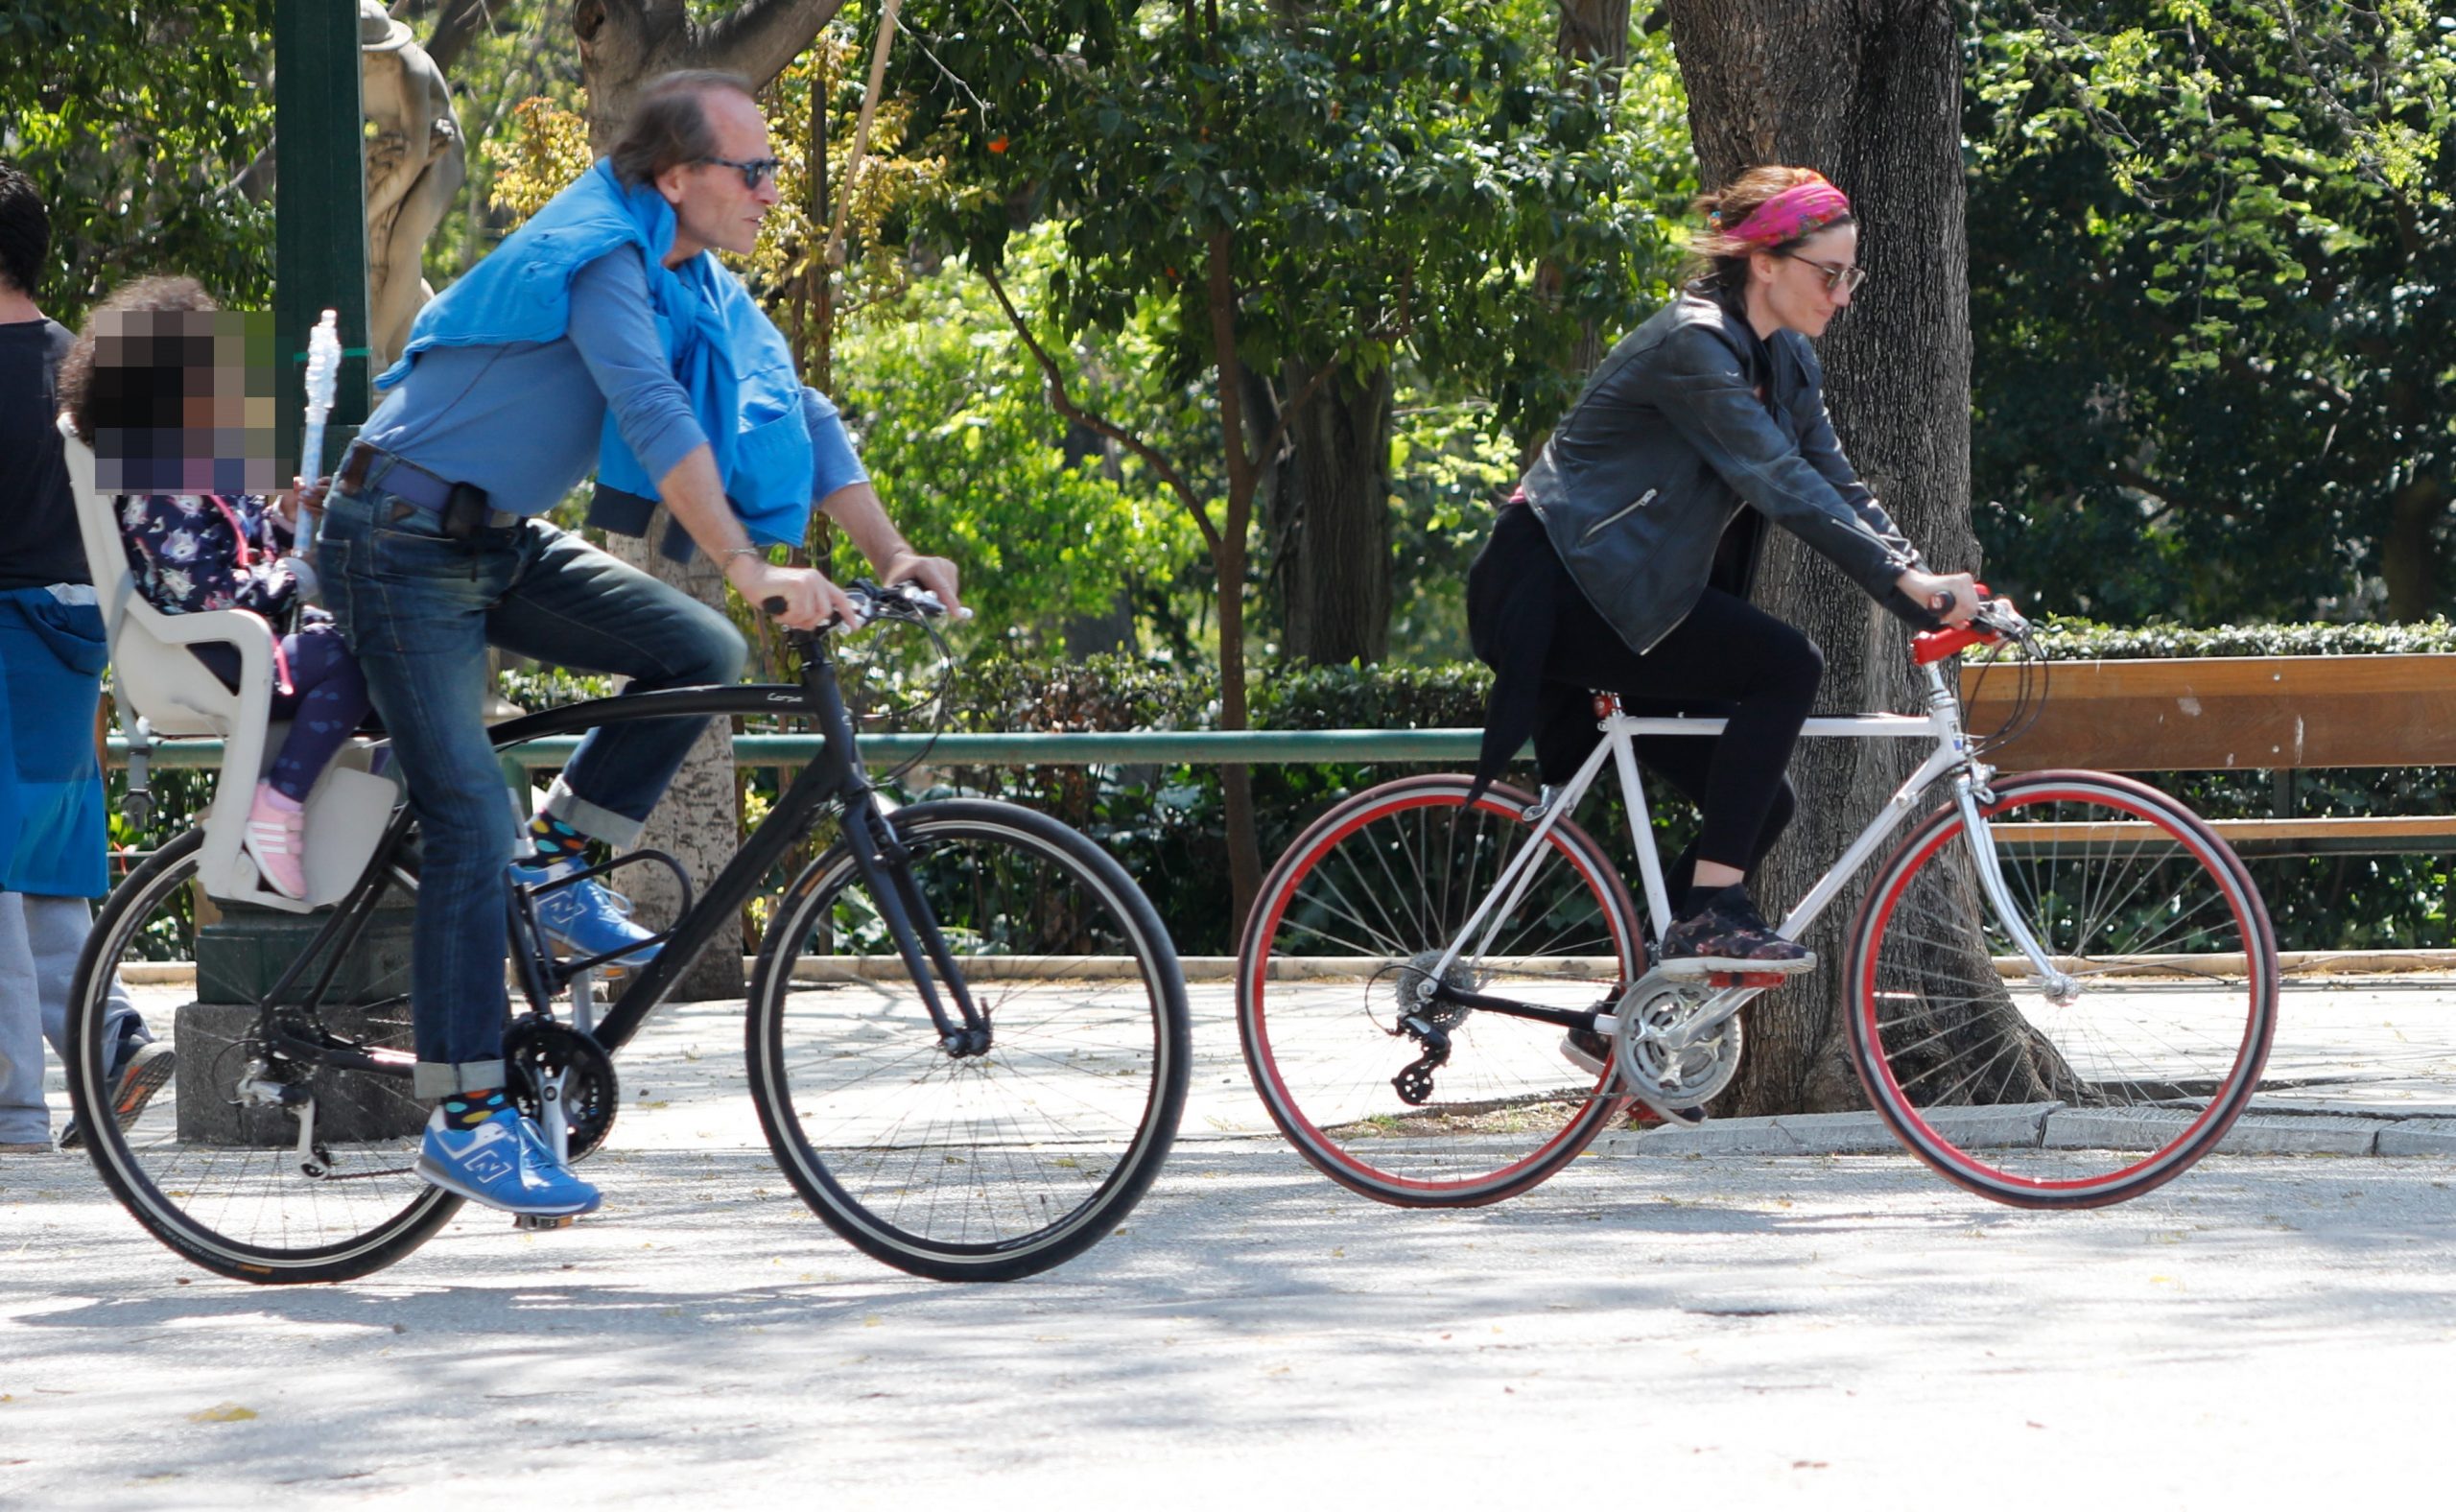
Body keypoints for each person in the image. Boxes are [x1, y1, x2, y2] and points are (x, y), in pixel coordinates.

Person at [315, 71, 961, 1219]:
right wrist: (754, 566)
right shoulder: (607, 257)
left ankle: (557, 859)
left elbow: (794, 410)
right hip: (395, 538)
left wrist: (895, 551)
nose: (772, 193)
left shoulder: (693, 274)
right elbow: (655, 411)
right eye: (753, 171)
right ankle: (466, 1117)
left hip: (493, 539)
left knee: (697, 647)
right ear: (677, 178)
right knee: (466, 815)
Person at [1467, 165, 1978, 1066]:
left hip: (1631, 599)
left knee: (1757, 804)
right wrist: (1904, 590)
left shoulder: (1787, 357)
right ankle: (1709, 917)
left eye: (1852, 276)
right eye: (1830, 273)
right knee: (1784, 665)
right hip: (1551, 588)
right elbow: (1776, 484)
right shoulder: (1691, 346)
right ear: (1764, 261)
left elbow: (1834, 482)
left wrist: (1918, 574)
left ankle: (1623, 1017)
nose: (1843, 294)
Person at [56, 276, 376, 901]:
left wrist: (287, 518)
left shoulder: (199, 469)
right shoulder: (158, 485)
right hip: (208, 654)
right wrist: (302, 573)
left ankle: (303, 806)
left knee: (375, 661)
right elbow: (213, 594)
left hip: (234, 647)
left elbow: (246, 551)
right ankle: (277, 805)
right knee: (351, 655)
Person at [0, 160, 173, 1154]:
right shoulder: (85, 368)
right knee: (46, 868)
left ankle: (14, 1105)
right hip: (76, 641)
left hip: (7, 634)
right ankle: (112, 1045)